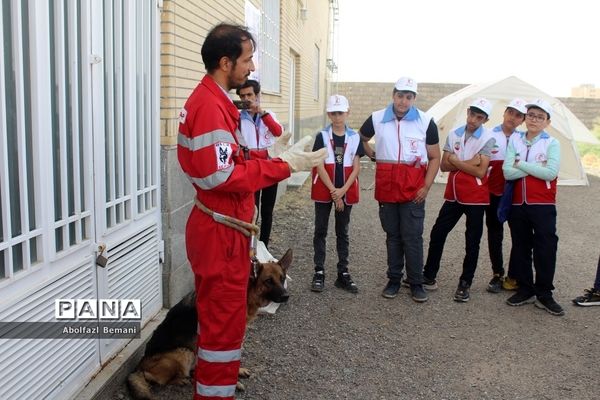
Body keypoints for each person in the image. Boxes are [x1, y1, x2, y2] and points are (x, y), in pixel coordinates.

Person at [177, 23, 326, 400]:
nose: (253, 67)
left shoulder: (213, 101)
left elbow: (231, 158)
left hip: (221, 230)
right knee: (222, 331)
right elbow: (221, 175)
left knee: (221, 327)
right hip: (220, 236)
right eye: (247, 59)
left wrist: (269, 154)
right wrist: (283, 165)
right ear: (225, 62)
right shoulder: (211, 107)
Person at [358, 77, 441, 302]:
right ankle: (394, 279)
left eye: (409, 97)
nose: (403, 101)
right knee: (393, 236)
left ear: (413, 98)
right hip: (387, 189)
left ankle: (416, 282)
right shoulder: (377, 118)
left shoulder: (426, 121)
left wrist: (426, 186)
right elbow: (361, 138)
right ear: (393, 95)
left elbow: (434, 157)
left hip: (414, 191)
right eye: (400, 95)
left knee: (412, 237)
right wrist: (372, 154)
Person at [422, 98, 495, 303]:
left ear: (485, 119)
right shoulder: (454, 133)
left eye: (479, 117)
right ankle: (429, 275)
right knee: (438, 232)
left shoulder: (488, 138)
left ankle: (465, 283)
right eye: (472, 114)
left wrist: (455, 160)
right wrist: (467, 162)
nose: (473, 120)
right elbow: (444, 166)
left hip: (476, 197)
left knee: (472, 242)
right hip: (454, 193)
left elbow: (481, 172)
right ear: (468, 112)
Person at [503, 98, 564, 316]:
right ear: (525, 117)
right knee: (520, 246)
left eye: (540, 117)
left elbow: (551, 173)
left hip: (543, 203)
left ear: (547, 122)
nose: (534, 120)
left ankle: (544, 293)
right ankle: (526, 288)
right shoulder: (516, 140)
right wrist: (535, 167)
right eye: (530, 115)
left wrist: (521, 164)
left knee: (546, 247)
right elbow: (507, 172)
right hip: (518, 203)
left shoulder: (551, 143)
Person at [310, 95, 365, 294]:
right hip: (326, 187)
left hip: (346, 188)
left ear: (347, 112)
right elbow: (319, 164)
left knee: (343, 231)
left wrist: (342, 191)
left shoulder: (355, 137)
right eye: (333, 113)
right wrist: (334, 192)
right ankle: (319, 271)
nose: (337, 116)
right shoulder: (322, 136)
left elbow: (357, 167)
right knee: (321, 230)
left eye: (340, 112)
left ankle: (343, 273)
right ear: (328, 114)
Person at [485, 99, 527, 293]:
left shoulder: (524, 139)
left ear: (523, 120)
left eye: (518, 115)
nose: (513, 117)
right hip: (493, 193)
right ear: (504, 113)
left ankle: (513, 276)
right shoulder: (489, 134)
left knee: (519, 235)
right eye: (510, 112)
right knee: (495, 233)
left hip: (515, 194)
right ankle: (497, 274)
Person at [236, 79, 283, 248]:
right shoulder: (237, 118)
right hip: (251, 170)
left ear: (258, 96)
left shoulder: (268, 114)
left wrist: (262, 113)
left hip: (270, 169)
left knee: (267, 211)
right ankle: (251, 247)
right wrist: (265, 153)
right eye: (243, 96)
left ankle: (264, 246)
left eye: (250, 95)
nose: (247, 99)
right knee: (251, 210)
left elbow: (278, 132)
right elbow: (240, 150)